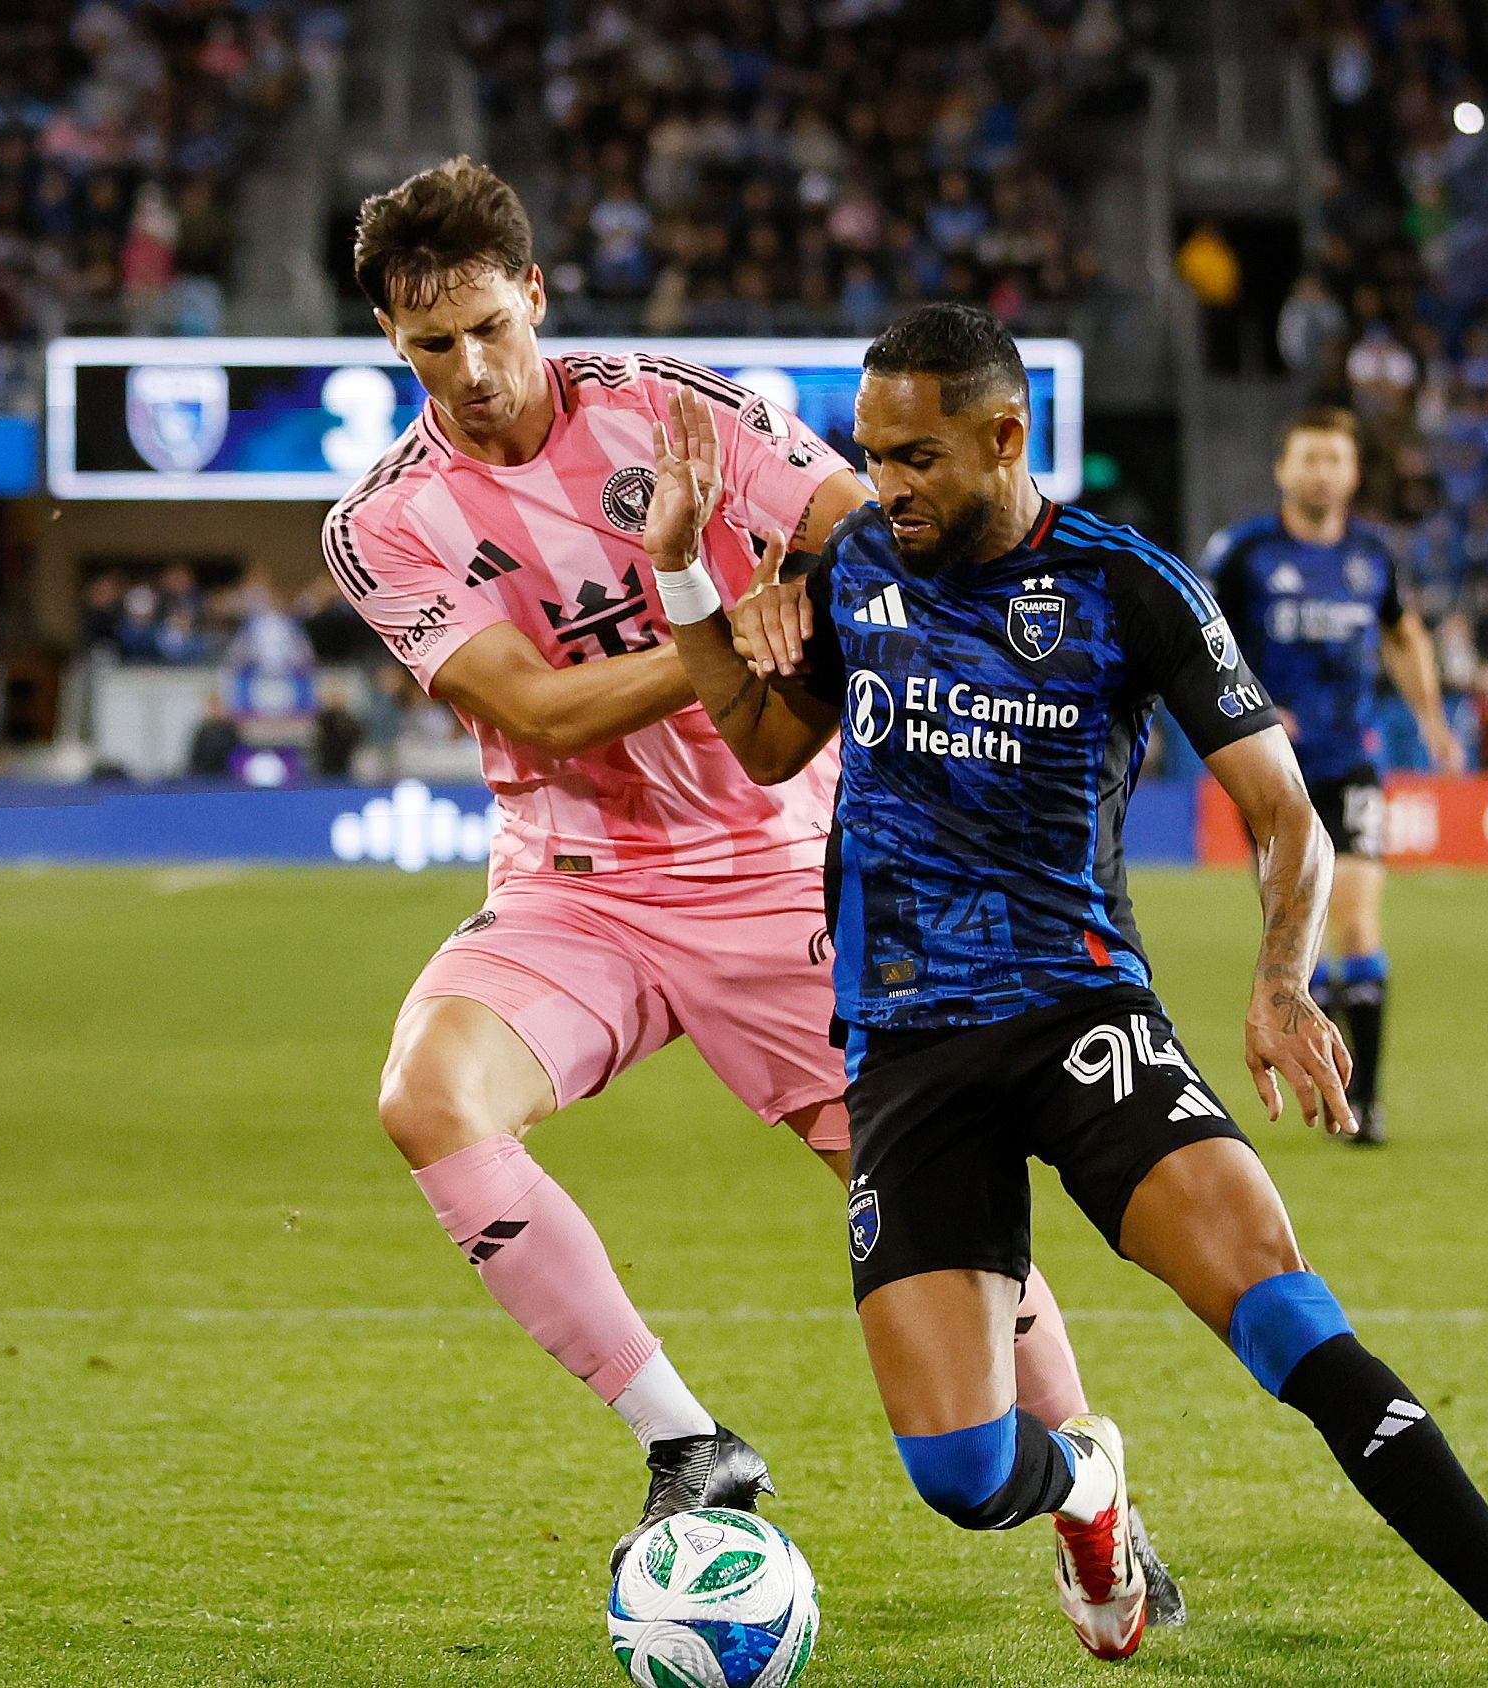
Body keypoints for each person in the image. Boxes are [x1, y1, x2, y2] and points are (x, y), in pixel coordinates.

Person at [665, 305, 1488, 1685]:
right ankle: (1084, 1487)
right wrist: (687, 583)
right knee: (958, 1473)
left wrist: (1279, 981)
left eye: (920, 458)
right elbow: (771, 749)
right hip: (901, 1044)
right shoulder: (851, 570)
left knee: (1286, 1315)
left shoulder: (1131, 587)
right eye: (872, 454)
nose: (886, 486)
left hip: (1080, 1017)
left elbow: (1285, 812)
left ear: (1007, 437)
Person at [318, 159, 1169, 1608]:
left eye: (485, 329)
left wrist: (822, 598)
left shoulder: (674, 402)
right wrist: (726, 632)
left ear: (535, 294)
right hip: (573, 884)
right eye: (428, 346)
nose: (468, 371)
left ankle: (1087, 1488)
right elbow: (538, 708)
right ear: (395, 345)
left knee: (925, 1188)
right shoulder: (383, 522)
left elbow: (858, 524)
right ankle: (691, 1446)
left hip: (777, 862)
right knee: (429, 1097)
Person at [1202, 407, 1459, 1142]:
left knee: (1356, 918)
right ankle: (1328, 1049)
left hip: (1352, 761)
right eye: (1309, 458)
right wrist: (1243, 709)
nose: (1322, 472)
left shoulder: (1373, 556)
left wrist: (1433, 721)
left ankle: (1367, 1104)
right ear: (1282, 470)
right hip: (1269, 775)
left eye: (1335, 460)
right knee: (1294, 936)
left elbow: (1403, 635)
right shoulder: (1244, 552)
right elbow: (1199, 640)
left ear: (1351, 473)